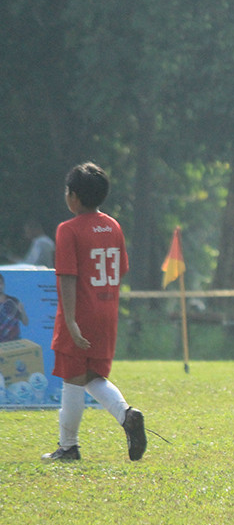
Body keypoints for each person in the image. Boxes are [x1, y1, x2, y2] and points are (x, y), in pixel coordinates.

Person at [43, 162, 146, 462]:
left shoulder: (68, 229)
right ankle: (127, 415)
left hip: (80, 313)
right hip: (107, 312)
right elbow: (121, 269)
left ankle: (68, 446)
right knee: (91, 376)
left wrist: (72, 322)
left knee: (72, 378)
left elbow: (67, 277)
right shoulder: (113, 225)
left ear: (73, 196)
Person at [0, 271, 29, 342]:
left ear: (4, 284)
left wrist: (22, 311)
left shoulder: (14, 301)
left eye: (0, 283)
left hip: (14, 341)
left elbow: (25, 323)